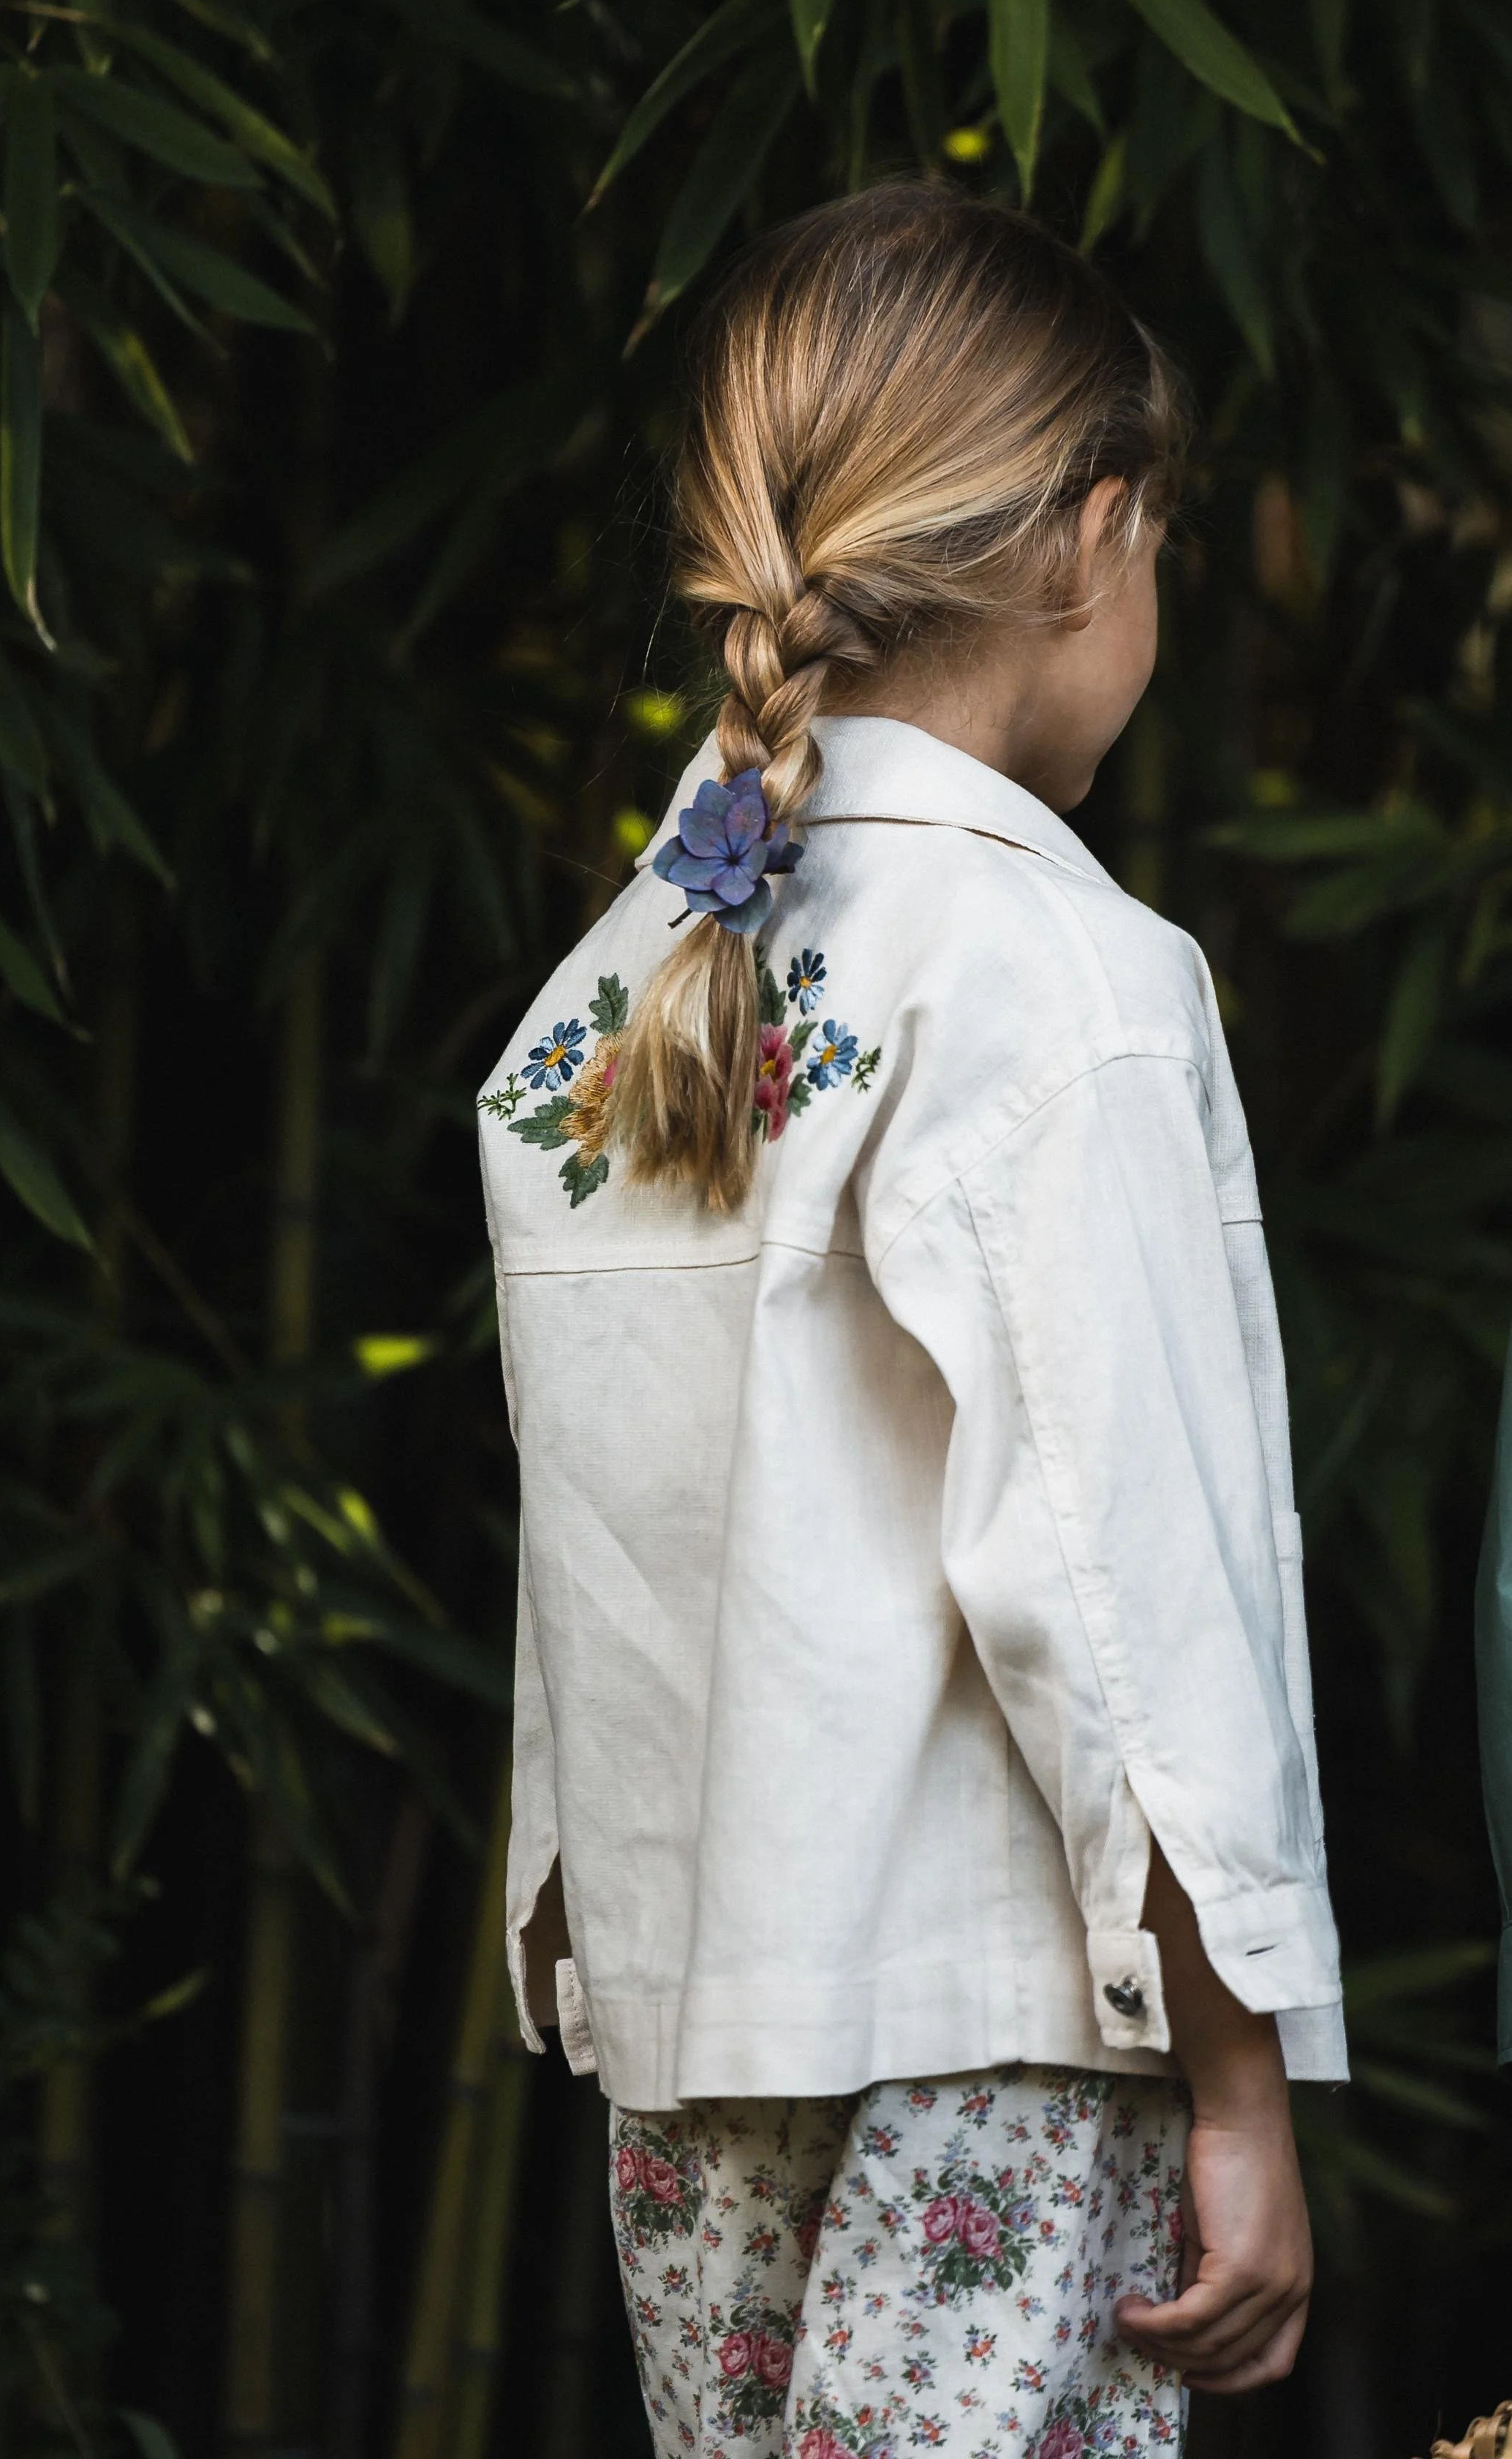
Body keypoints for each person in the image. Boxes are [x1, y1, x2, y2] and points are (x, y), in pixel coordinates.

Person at [476, 179, 1345, 2457]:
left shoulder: (613, 1006)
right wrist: (1242, 2068)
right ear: (1092, 536)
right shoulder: (1063, 983)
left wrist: (570, 1918)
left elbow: (601, 1553)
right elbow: (1122, 1576)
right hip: (1004, 2022)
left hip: (692, 2029)